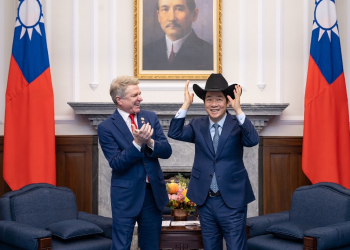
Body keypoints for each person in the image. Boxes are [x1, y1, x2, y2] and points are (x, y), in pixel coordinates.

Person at [168, 73, 259, 250]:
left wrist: (238, 109)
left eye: (219, 99)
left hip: (232, 200)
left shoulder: (237, 123)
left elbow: (253, 140)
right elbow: (174, 133)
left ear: (227, 102)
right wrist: (186, 104)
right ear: (204, 103)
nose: (214, 104)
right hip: (205, 201)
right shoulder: (197, 124)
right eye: (209, 99)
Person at [98, 76, 172, 250]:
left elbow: (167, 151)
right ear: (119, 100)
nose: (140, 98)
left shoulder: (150, 117)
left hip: (152, 194)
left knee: (151, 246)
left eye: (140, 93)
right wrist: (137, 143)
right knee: (121, 246)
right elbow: (116, 163)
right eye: (135, 95)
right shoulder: (106, 127)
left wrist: (150, 142)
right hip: (126, 196)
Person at [143, 0, 213, 70]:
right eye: (165, 9)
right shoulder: (145, 53)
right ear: (158, 15)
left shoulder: (210, 53)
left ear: (194, 14)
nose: (172, 18)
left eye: (179, 9)